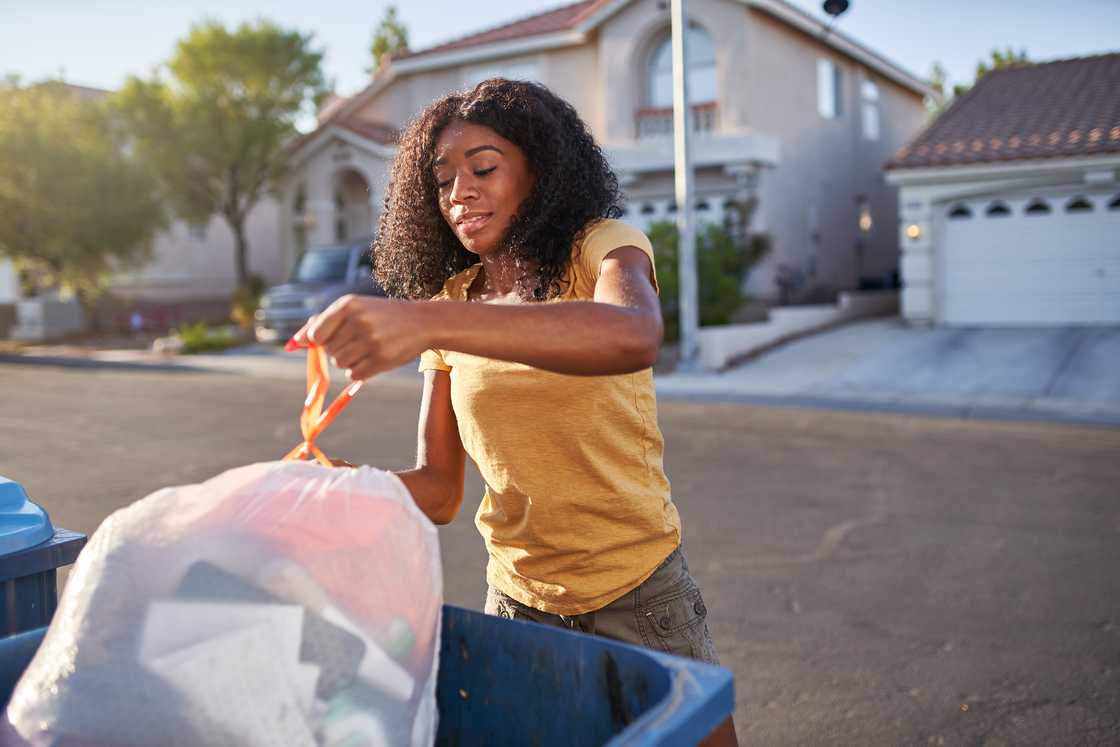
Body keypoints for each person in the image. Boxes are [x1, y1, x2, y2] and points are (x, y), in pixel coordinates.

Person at [292, 78, 737, 745]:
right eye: (442, 181)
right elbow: (440, 490)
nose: (459, 192)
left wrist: (428, 319)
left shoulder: (602, 248)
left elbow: (633, 334)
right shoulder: (453, 298)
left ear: (540, 169)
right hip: (518, 603)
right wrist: (332, 484)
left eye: (483, 168)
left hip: (640, 592)